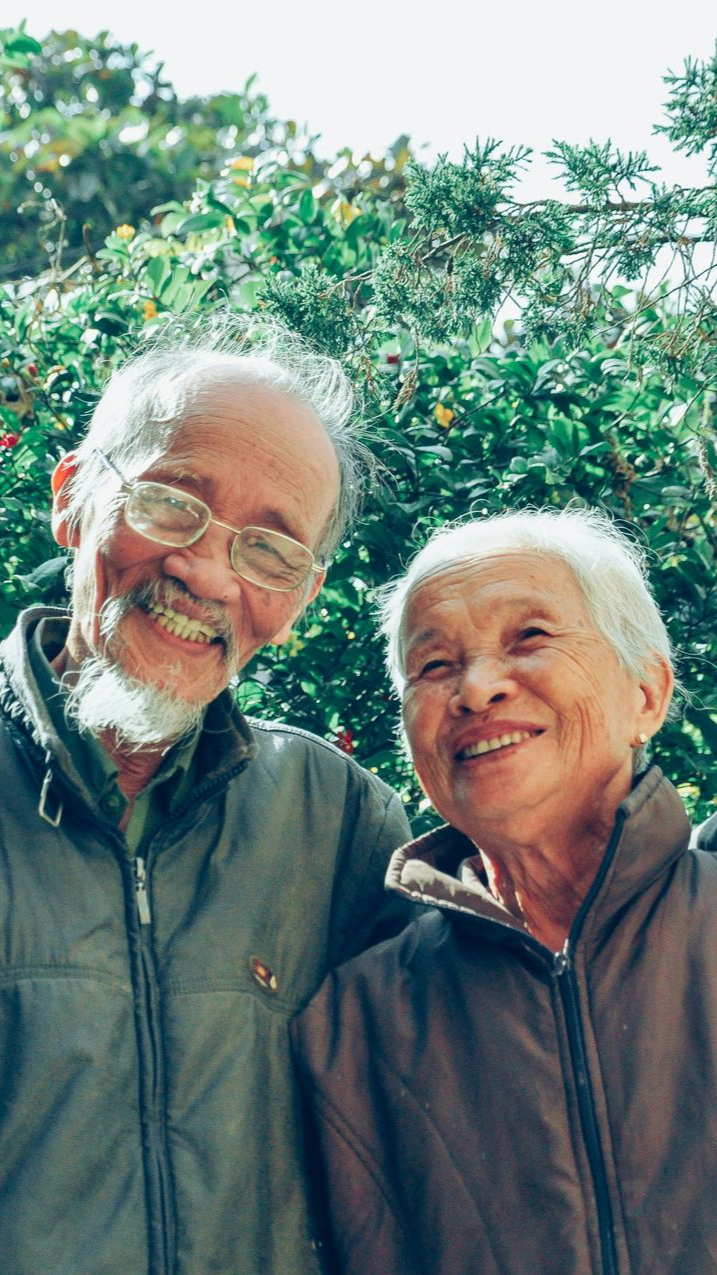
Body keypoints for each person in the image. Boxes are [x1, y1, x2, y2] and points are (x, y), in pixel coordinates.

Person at [0, 318, 410, 1275]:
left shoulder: (337, 824)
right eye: (171, 502)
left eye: (270, 551)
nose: (206, 571)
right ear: (72, 500)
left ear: (301, 597)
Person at [293, 506, 717, 1275]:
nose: (477, 688)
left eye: (529, 637)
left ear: (646, 695)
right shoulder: (354, 1023)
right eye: (433, 666)